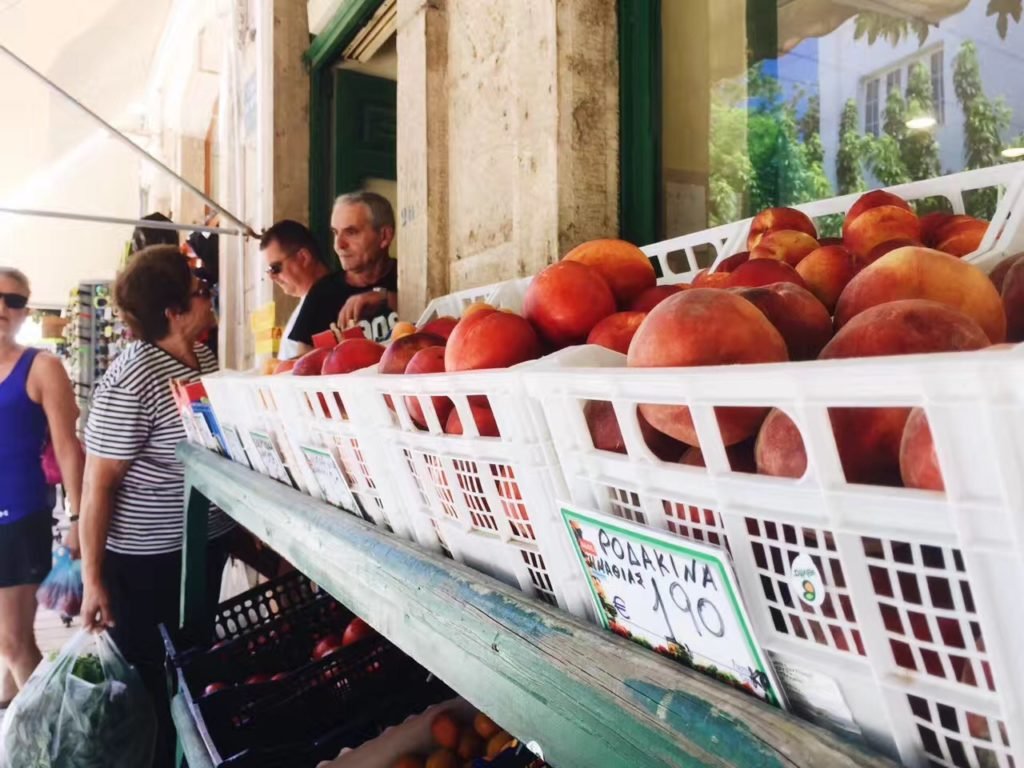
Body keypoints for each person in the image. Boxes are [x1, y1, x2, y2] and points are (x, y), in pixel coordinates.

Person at [78, 246, 235, 768]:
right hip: (146, 567)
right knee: (154, 691)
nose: (209, 296)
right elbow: (97, 484)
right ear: (173, 311)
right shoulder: (132, 378)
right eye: (200, 290)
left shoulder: (202, 359)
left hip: (201, 550)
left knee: (190, 674)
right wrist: (92, 580)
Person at [0, 267, 83, 710]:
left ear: (24, 312)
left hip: (18, 517)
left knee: (12, 640)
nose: (2, 308)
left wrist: (79, 519)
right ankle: (12, 701)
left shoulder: (42, 367)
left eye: (12, 301)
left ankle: (48, 732)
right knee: (6, 639)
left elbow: (69, 448)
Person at [262, 192, 398, 357]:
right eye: (335, 232)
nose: (339, 245)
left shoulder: (408, 277)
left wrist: (385, 298)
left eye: (351, 232)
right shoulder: (322, 294)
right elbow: (303, 365)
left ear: (384, 236)